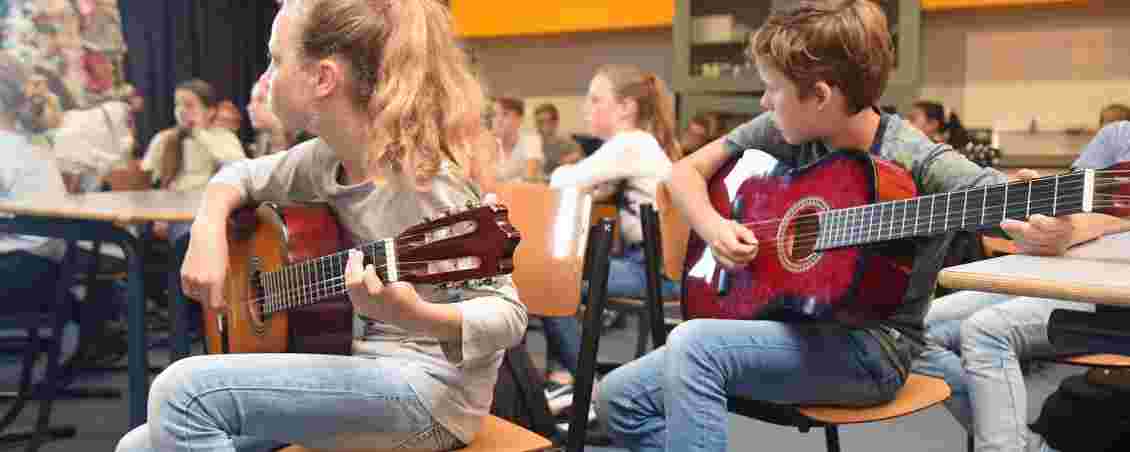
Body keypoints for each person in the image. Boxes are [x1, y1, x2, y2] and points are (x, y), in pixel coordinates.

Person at [591, 1, 1059, 450]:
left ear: (819, 96)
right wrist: (714, 228)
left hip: (872, 349)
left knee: (693, 345)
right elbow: (683, 173)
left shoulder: (914, 157)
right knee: (618, 399)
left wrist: (1036, 215)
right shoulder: (787, 127)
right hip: (793, 322)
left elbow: (999, 198)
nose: (764, 100)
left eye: (772, 89)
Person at [115, 0, 524, 450]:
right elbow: (240, 176)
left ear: (323, 79)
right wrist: (208, 225)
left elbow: (508, 315)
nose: (265, 78)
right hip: (362, 373)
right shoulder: (327, 159)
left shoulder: (427, 181)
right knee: (139, 445)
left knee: (183, 393)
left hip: (429, 396)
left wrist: (416, 316)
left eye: (276, 60)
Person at [913, 119, 1130, 452]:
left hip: (1111, 301)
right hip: (1059, 274)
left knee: (985, 330)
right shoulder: (1117, 137)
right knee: (913, 329)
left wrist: (1082, 229)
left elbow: (1086, 224)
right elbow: (1067, 212)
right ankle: (1020, 444)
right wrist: (1040, 203)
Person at [538, 63, 682, 409]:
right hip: (651, 265)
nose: (587, 109)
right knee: (559, 281)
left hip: (652, 270)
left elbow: (562, 182)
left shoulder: (631, 143)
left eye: (595, 99)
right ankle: (570, 381)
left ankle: (590, 393)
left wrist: (566, 173)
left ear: (625, 107)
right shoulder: (639, 146)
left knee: (549, 285)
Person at [140, 79, 245, 240]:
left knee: (191, 233)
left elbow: (237, 166)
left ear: (210, 111)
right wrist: (159, 215)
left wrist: (198, 132)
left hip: (207, 213)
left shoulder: (222, 137)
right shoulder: (165, 139)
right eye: (177, 105)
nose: (181, 111)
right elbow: (148, 178)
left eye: (189, 105)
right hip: (172, 212)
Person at [490, 96, 544, 183]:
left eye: (505, 114)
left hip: (527, 194)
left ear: (519, 119)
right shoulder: (487, 143)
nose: (498, 120)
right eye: (494, 115)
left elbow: (529, 179)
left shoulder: (531, 140)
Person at [246, 73, 300, 157]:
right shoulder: (262, 141)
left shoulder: (307, 145)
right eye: (252, 100)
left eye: (260, 100)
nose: (250, 107)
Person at [533, 103, 583, 174]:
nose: (544, 125)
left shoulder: (569, 144)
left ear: (556, 122)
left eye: (548, 121)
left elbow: (582, 166)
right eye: (540, 122)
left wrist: (566, 162)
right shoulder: (532, 144)